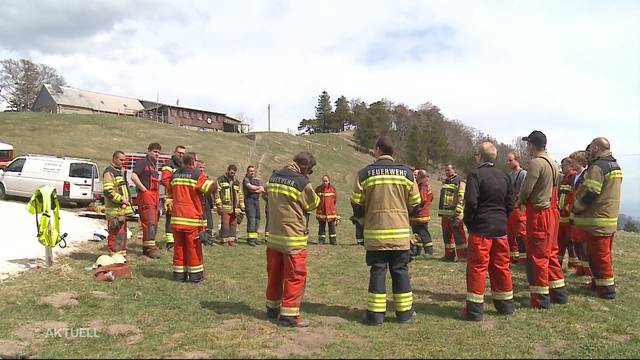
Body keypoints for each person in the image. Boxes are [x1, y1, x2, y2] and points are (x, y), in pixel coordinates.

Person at [351, 136, 421, 325]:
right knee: (400, 270)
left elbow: (356, 203)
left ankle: (375, 316)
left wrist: (362, 221)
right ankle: (405, 313)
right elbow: (416, 203)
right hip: (400, 234)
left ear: (378, 149)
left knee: (378, 271)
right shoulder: (406, 173)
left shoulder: (364, 174)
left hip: (375, 233)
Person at [265, 152, 320, 327]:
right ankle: (289, 315)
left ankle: (272, 309)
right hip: (292, 237)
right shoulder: (301, 182)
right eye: (309, 171)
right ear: (305, 168)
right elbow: (312, 204)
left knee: (274, 273)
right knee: (295, 276)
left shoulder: (274, 176)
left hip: (273, 235)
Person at [462, 142, 515, 321]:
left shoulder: (475, 175)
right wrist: (502, 219)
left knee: (477, 268)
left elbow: (470, 203)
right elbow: (510, 204)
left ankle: (475, 311)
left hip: (481, 229)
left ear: (479, 156)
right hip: (500, 229)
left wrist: (469, 222)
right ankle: (505, 306)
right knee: (501, 267)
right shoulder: (504, 176)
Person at [517, 130, 568, 309]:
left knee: (537, 256)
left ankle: (540, 299)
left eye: (528, 144)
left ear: (532, 145)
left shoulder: (536, 163)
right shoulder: (553, 162)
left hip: (539, 214)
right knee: (551, 253)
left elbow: (526, 189)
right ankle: (559, 292)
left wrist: (519, 202)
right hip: (552, 213)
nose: (527, 148)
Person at [571, 138, 622, 299]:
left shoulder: (598, 167)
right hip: (609, 218)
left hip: (598, 220)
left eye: (591, 149)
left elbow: (590, 192)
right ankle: (597, 283)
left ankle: (606, 291)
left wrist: (576, 208)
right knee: (602, 255)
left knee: (598, 257)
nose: (589, 153)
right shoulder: (615, 166)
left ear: (595, 148)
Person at [166, 152, 215, 283]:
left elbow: (169, 192)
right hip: (191, 219)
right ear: (193, 162)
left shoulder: (174, 175)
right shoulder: (197, 175)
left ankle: (179, 275)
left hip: (176, 219)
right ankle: (195, 276)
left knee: (179, 248)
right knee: (193, 248)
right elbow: (208, 188)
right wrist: (213, 182)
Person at [131, 142, 162, 259]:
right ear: (148, 151)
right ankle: (150, 249)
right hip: (146, 196)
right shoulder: (142, 163)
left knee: (153, 222)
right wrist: (144, 190)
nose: (157, 154)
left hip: (154, 197)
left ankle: (146, 247)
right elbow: (133, 176)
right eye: (155, 152)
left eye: (158, 152)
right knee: (149, 223)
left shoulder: (154, 165)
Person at [102, 150, 134, 257]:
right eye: (121, 160)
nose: (123, 162)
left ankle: (120, 257)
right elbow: (108, 191)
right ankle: (113, 258)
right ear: (114, 159)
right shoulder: (109, 172)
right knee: (115, 236)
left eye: (124, 160)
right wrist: (121, 199)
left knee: (122, 236)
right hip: (114, 212)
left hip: (121, 212)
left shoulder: (121, 171)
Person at [438, 163, 467, 261]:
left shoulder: (459, 181)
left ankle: (463, 256)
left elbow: (461, 195)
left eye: (448, 170)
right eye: (445, 170)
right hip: (445, 213)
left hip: (454, 213)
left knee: (459, 235)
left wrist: (458, 209)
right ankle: (449, 255)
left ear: (454, 170)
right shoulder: (446, 181)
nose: (446, 172)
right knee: (447, 236)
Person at [569, 151, 591, 276]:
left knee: (583, 242)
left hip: (582, 212)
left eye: (575, 161)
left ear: (581, 162)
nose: (572, 163)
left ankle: (586, 269)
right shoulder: (573, 176)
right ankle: (580, 267)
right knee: (576, 241)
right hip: (574, 211)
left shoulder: (586, 175)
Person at [160, 145, 186, 250]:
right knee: (170, 219)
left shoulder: (182, 166)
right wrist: (177, 186)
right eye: (179, 153)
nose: (181, 155)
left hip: (181, 197)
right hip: (171, 196)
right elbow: (165, 180)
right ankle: (170, 242)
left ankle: (178, 240)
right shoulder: (169, 165)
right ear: (174, 152)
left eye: (183, 153)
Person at [214, 164, 245, 246]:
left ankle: (232, 240)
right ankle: (224, 241)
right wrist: (219, 205)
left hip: (235, 208)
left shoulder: (237, 182)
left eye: (234, 173)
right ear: (228, 170)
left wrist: (242, 206)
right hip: (225, 206)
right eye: (231, 172)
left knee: (233, 224)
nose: (232, 174)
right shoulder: (221, 180)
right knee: (225, 223)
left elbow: (240, 194)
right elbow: (217, 193)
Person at [506, 152, 527, 265]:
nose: (508, 163)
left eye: (510, 160)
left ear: (517, 160)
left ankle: (524, 258)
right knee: (510, 233)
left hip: (519, 208)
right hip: (510, 208)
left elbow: (524, 191)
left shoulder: (523, 174)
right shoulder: (509, 175)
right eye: (508, 161)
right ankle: (513, 256)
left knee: (520, 233)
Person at [557, 157, 578, 270]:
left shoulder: (573, 178)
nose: (562, 168)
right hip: (561, 215)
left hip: (568, 215)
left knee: (570, 241)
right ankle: (558, 263)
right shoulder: (564, 178)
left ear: (570, 166)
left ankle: (573, 265)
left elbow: (573, 195)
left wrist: (568, 208)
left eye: (563, 165)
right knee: (560, 241)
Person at [410, 170, 434, 256]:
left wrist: (414, 208)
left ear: (421, 176)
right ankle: (417, 252)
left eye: (416, 175)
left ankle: (429, 251)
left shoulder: (423, 185)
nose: (415, 176)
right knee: (416, 234)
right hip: (417, 215)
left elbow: (422, 199)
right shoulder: (419, 184)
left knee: (423, 234)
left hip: (420, 215)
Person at [243, 165, 264, 247]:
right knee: (251, 219)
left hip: (256, 201)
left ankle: (255, 238)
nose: (252, 172)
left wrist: (256, 189)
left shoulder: (256, 180)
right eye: (250, 171)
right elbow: (250, 187)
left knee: (257, 219)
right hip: (249, 201)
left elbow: (262, 189)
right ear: (247, 172)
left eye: (253, 171)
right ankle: (250, 239)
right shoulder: (246, 180)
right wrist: (257, 189)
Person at [315, 175, 338, 245]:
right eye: (324, 181)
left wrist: (331, 207)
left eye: (326, 181)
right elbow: (315, 199)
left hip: (330, 212)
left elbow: (334, 200)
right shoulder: (318, 189)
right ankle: (321, 241)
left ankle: (333, 241)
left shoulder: (332, 189)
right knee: (321, 227)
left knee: (332, 227)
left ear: (329, 181)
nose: (325, 182)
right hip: (321, 212)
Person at [197, 160, 216, 245]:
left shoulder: (205, 176)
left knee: (208, 220)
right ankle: (201, 239)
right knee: (200, 220)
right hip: (198, 201)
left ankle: (208, 238)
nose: (202, 169)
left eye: (203, 168)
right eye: (200, 167)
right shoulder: (195, 176)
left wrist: (212, 203)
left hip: (206, 201)